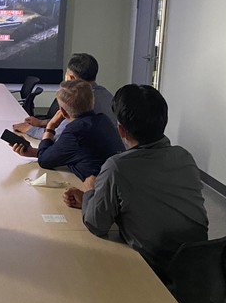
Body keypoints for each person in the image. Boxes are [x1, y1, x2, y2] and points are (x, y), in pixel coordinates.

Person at [63, 84, 209, 280]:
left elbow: (96, 224)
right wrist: (94, 200)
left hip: (154, 271)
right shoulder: (184, 156)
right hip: (200, 266)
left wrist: (90, 191)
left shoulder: (117, 167)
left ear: (121, 130)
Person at [11, 80, 123, 181]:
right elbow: (70, 153)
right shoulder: (103, 120)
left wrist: (50, 127)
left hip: (98, 188)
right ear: (92, 102)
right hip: (116, 182)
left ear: (63, 112)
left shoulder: (76, 131)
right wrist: (34, 152)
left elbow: (44, 161)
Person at [13, 53, 116, 139]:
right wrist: (42, 123)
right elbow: (66, 123)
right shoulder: (106, 95)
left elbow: (57, 135)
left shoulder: (79, 99)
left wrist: (29, 129)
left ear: (71, 78)